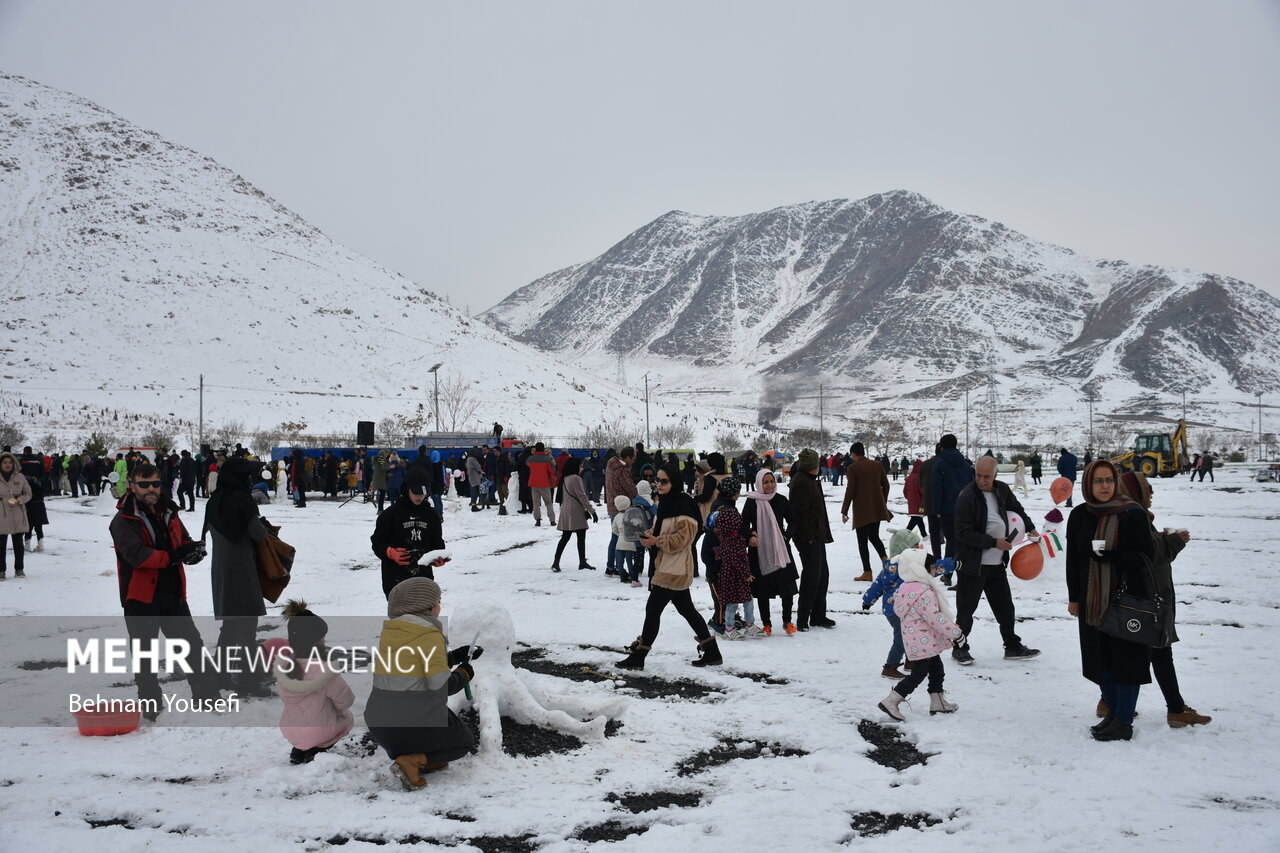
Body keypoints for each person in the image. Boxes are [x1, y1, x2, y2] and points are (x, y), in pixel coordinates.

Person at [109, 463, 220, 719]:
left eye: (155, 484)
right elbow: (137, 556)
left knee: (192, 647)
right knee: (145, 656)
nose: (151, 489)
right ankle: (151, 708)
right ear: (132, 486)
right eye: (144, 484)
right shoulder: (123, 519)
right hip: (140, 598)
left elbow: (182, 540)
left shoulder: (170, 510)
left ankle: (209, 699)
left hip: (173, 594)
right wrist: (174, 555)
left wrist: (192, 551)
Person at [1112, 472, 1211, 729]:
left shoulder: (1137, 515)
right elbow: (1149, 558)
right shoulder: (1134, 516)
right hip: (1147, 599)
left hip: (1148, 598)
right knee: (1155, 651)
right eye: (1148, 487)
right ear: (1134, 490)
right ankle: (1173, 709)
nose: (1152, 492)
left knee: (1155, 652)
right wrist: (1175, 542)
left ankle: (1113, 701)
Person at [1066, 460, 1155, 741]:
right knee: (1099, 658)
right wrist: (1074, 597)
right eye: (1098, 481)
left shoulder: (1133, 514)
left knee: (1126, 661)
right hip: (1092, 601)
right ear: (1088, 484)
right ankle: (1114, 712)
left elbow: (1145, 557)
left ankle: (1124, 721)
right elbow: (1073, 559)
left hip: (1127, 600)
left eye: (1109, 480)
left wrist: (1112, 556)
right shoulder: (1080, 515)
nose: (1105, 486)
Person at [364, 577, 478, 790]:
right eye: (438, 601)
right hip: (409, 725)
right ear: (425, 607)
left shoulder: (392, 631)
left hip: (381, 725)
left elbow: (413, 666)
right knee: (464, 741)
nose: (440, 606)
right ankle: (413, 760)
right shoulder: (429, 634)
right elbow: (440, 686)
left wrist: (453, 657)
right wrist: (464, 674)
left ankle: (418, 755)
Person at [615, 464, 720, 670]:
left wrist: (658, 541)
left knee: (653, 609)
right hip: (666, 565)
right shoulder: (667, 502)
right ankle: (712, 652)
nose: (659, 484)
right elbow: (662, 527)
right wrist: (649, 535)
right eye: (658, 480)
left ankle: (639, 656)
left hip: (675, 568)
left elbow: (685, 537)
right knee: (687, 610)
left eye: (664, 481)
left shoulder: (684, 504)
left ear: (674, 482)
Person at [949, 456, 1040, 665]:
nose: (981, 480)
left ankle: (1012, 646)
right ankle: (959, 648)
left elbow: (1017, 509)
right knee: (966, 610)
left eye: (986, 477)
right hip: (972, 564)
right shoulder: (967, 496)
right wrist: (993, 542)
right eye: (978, 475)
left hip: (996, 564)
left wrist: (1029, 525)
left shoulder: (1002, 489)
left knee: (1005, 608)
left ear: (996, 475)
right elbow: (963, 533)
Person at [205, 457, 272, 696]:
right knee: (246, 629)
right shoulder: (243, 501)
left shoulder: (214, 501)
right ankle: (248, 682)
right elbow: (257, 533)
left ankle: (221, 674)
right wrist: (262, 527)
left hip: (221, 569)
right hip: (242, 569)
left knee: (230, 627)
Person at [878, 548, 964, 721]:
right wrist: (955, 632)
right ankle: (891, 701)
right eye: (932, 567)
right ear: (920, 569)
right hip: (924, 641)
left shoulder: (904, 588)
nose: (934, 570)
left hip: (918, 640)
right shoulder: (923, 591)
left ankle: (937, 703)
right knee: (918, 674)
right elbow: (934, 618)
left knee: (937, 670)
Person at [275, 600, 355, 764]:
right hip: (319, 732)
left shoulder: (285, 668)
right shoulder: (325, 671)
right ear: (315, 641)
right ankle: (318, 749)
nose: (324, 640)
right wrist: (336, 710)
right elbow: (347, 701)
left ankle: (299, 750)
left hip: (290, 732)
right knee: (347, 718)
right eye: (322, 637)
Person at [371, 467, 447, 598]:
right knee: (402, 618)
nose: (420, 496)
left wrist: (438, 557)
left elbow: (437, 544)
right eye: (416, 492)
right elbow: (378, 542)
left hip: (423, 580)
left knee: (426, 617)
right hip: (396, 581)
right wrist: (390, 552)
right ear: (407, 489)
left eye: (423, 493)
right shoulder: (390, 514)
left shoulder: (432, 515)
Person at [743, 469, 798, 637]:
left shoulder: (781, 500)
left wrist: (787, 536)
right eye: (765, 482)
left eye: (772, 481)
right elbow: (743, 524)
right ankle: (766, 624)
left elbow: (793, 520)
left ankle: (787, 621)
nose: (769, 485)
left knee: (787, 587)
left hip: (779, 549)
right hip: (759, 550)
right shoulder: (752, 502)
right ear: (759, 483)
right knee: (762, 589)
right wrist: (749, 536)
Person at [863, 529, 922, 680]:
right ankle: (890, 667)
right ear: (905, 549)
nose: (920, 549)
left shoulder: (890, 566)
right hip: (897, 611)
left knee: (912, 634)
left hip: (903, 610)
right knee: (901, 639)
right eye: (916, 546)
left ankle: (911, 661)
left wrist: (868, 600)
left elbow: (877, 584)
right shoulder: (908, 567)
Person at [788, 448, 835, 631]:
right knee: (812, 578)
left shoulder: (810, 480)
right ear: (812, 466)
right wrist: (807, 537)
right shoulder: (801, 482)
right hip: (808, 537)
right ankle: (803, 619)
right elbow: (799, 512)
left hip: (817, 535)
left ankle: (818, 615)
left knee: (822, 576)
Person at [707, 478, 759, 639]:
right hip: (720, 564)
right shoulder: (727, 511)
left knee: (728, 598)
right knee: (724, 599)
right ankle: (721, 624)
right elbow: (735, 555)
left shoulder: (722, 507)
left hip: (722, 563)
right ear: (734, 493)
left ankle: (728, 622)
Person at [841, 442, 892, 582]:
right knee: (874, 536)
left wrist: (844, 510)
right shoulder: (877, 465)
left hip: (862, 511)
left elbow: (850, 490)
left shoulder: (853, 468)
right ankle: (886, 563)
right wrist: (882, 502)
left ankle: (867, 572)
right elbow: (886, 485)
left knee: (862, 541)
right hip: (876, 508)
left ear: (853, 454)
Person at [931, 434, 972, 576]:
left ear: (941, 447)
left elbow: (937, 489)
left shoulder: (939, 465)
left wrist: (937, 509)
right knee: (962, 541)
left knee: (950, 540)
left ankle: (947, 574)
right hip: (965, 508)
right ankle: (963, 572)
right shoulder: (966, 465)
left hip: (947, 509)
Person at [551, 457, 598, 572]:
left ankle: (556, 562)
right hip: (576, 511)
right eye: (581, 465)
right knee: (581, 536)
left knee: (565, 537)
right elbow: (582, 497)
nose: (582, 467)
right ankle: (582, 562)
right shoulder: (576, 478)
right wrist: (592, 511)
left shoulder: (565, 478)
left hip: (566, 510)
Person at [0, 452, 32, 578]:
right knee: (1, 544)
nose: (7, 465)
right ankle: (1, 570)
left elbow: (28, 494)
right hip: (1, 513)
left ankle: (19, 568)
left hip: (18, 513)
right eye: (4, 463)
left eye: (10, 462)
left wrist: (19, 501)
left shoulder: (20, 477)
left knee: (18, 543)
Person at [918, 444, 944, 561]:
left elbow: (920, 484)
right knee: (950, 534)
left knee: (934, 534)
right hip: (947, 505)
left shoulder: (925, 464)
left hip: (930, 504)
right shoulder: (948, 464)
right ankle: (948, 562)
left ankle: (937, 559)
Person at [612, 495, 641, 587]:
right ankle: (633, 577)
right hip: (630, 542)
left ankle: (623, 576)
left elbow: (614, 529)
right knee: (629, 561)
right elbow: (638, 525)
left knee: (619, 561)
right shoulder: (631, 515)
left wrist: (620, 534)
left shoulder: (617, 517)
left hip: (620, 543)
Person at [526, 442, 557, 527]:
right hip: (544, 483)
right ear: (543, 449)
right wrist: (553, 482)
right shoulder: (547, 459)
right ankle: (552, 520)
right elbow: (551, 472)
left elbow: (527, 464)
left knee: (536, 503)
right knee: (548, 502)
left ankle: (538, 520)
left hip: (534, 483)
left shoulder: (531, 459)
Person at [902, 459, 927, 539]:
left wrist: (909, 498)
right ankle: (905, 534)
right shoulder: (920, 478)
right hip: (919, 502)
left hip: (912, 502)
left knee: (917, 518)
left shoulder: (909, 478)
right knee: (916, 519)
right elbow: (923, 491)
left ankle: (924, 535)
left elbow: (905, 491)